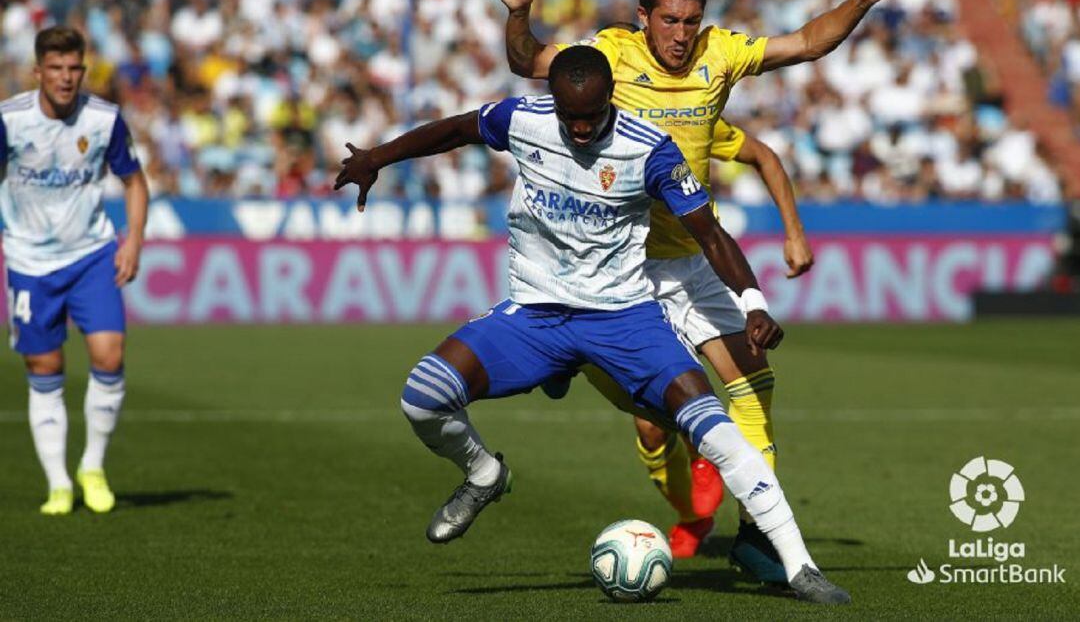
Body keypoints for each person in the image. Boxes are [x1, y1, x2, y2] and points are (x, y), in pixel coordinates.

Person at [335, 45, 850, 604]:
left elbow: (708, 231)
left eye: (592, 116)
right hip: (536, 312)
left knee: (717, 429)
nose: (580, 129)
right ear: (552, 101)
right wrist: (377, 158)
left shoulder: (649, 149)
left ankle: (799, 566)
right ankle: (483, 474)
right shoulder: (524, 120)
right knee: (422, 397)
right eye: (569, 116)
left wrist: (752, 300)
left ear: (611, 99)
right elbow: (456, 129)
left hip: (624, 317)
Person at [485, 0, 906, 577]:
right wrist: (520, 13)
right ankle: (568, 360)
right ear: (643, 18)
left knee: (755, 384)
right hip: (620, 268)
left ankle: (758, 538)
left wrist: (861, 1)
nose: (681, 35)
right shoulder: (609, 55)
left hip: (696, 256)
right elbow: (528, 61)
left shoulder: (723, 54)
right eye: (670, 21)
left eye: (691, 22)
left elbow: (808, 43)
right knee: (658, 418)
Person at [1, 27, 148, 515]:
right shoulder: (10, 121)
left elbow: (135, 183)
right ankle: (59, 482)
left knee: (109, 355)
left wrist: (133, 242)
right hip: (29, 261)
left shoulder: (104, 120)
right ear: (38, 71)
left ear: (83, 71)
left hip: (91, 253)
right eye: (56, 68)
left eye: (74, 69)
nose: (66, 78)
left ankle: (92, 466)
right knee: (45, 368)